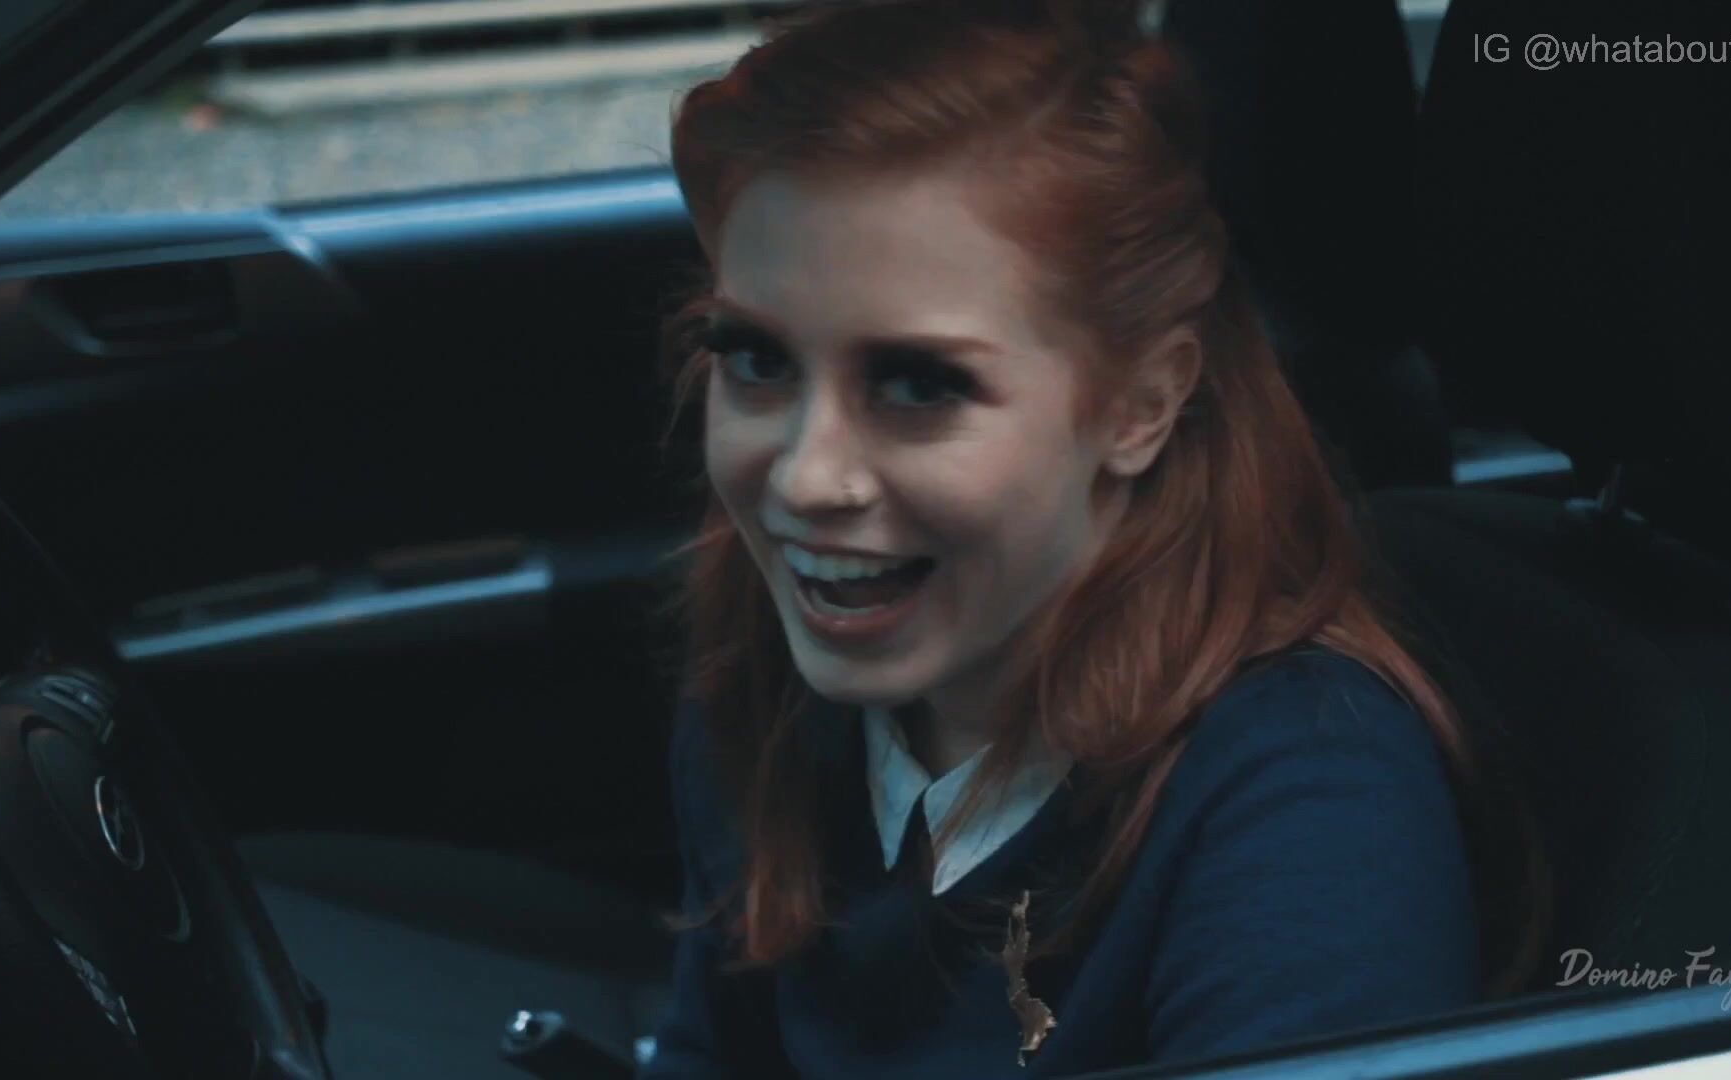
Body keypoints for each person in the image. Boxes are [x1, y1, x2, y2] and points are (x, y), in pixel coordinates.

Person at [643, 1, 1544, 1075]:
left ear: (1140, 405)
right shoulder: (772, 690)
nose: (804, 477)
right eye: (756, 362)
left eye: (920, 385)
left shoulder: (1307, 802)